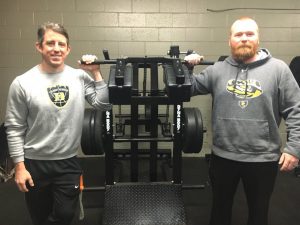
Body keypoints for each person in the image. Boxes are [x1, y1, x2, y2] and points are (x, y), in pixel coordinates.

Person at [185, 17, 300, 225]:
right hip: (223, 156)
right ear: (230, 40)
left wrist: (294, 148)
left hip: (263, 158)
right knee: (219, 212)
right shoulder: (218, 70)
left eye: (249, 34)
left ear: (258, 38)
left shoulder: (279, 69)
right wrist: (188, 67)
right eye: (238, 35)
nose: (244, 39)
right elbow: (187, 89)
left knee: (258, 214)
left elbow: (296, 110)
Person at [4, 22, 111, 225]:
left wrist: (96, 73)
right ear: (39, 47)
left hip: (67, 162)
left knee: (64, 215)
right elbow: (15, 127)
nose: (56, 48)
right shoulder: (22, 83)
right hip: (35, 163)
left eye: (61, 44)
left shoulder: (78, 76)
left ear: (68, 49)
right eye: (50, 43)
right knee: (40, 216)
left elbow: (103, 105)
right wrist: (19, 167)